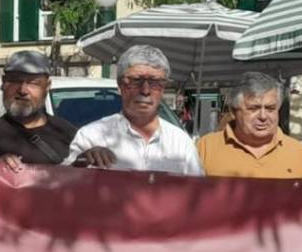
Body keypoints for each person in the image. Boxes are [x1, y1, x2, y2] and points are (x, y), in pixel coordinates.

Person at [64, 44, 204, 176]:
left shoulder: (181, 143)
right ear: (120, 86)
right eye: (136, 81)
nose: (145, 90)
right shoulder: (91, 137)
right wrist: (81, 162)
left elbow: (198, 190)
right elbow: (63, 183)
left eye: (154, 82)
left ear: (163, 89)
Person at [0, 51, 77, 169]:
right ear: (3, 83)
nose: (22, 90)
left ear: (47, 87)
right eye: (15, 81)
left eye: (33, 83)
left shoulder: (66, 133)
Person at [196, 72, 302, 179]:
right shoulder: (205, 149)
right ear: (233, 111)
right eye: (253, 109)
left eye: (270, 108)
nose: (263, 116)